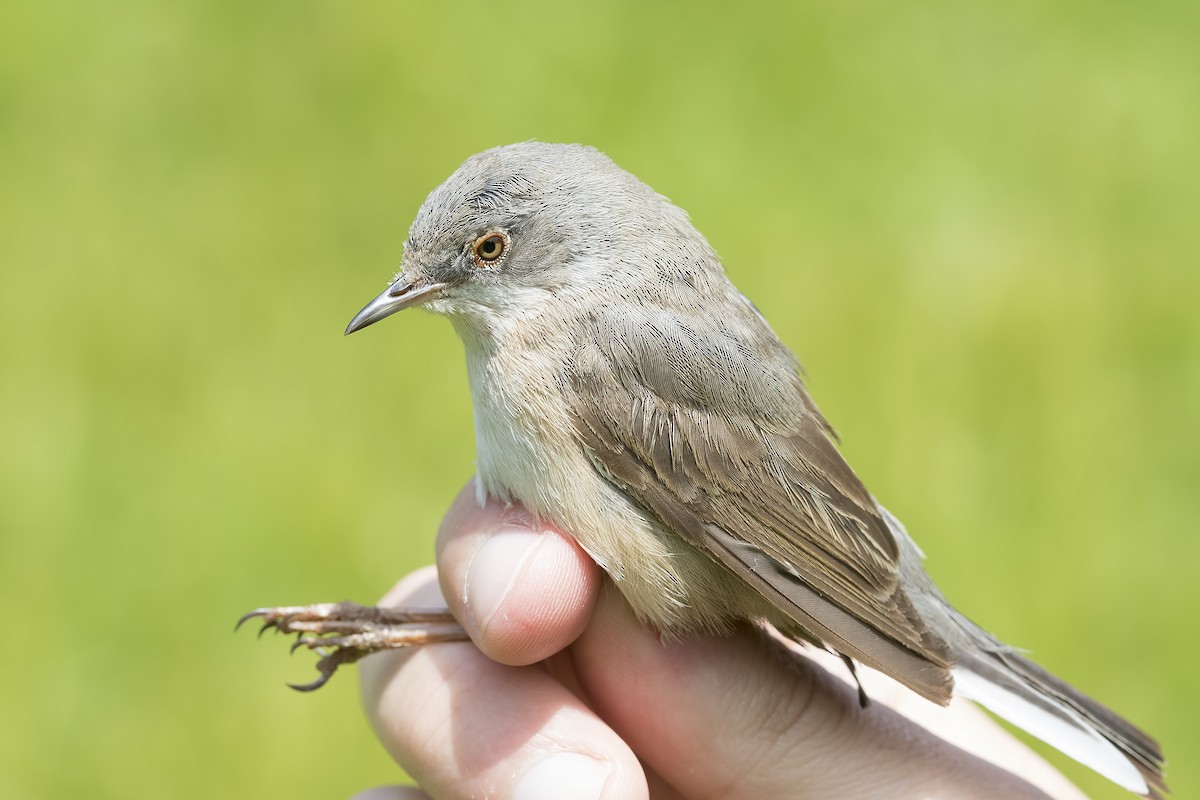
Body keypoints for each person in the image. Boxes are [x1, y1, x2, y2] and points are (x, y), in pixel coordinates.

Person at [353, 480, 1087, 800]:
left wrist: (870, 617)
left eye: (486, 251)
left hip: (789, 551)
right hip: (765, 565)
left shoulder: (587, 350)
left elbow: (743, 513)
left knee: (550, 606)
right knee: (536, 606)